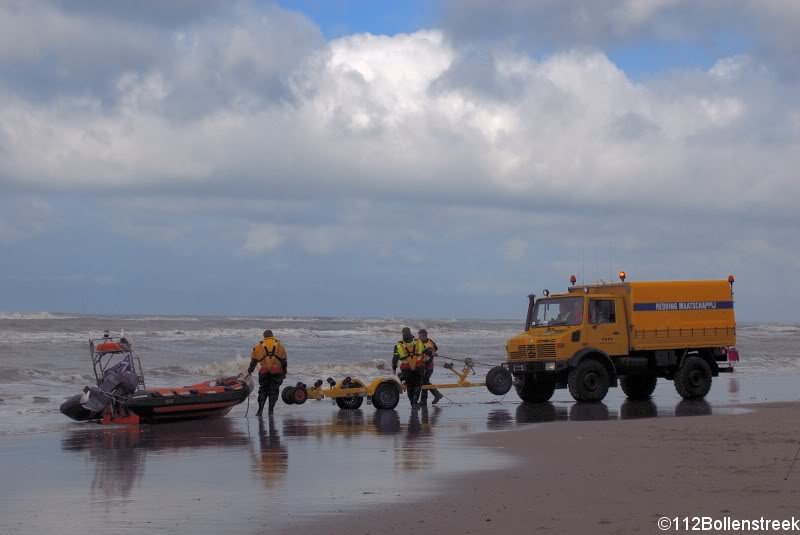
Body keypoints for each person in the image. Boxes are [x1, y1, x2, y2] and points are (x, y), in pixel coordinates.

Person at [247, 330, 287, 416]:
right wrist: (284, 372)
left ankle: (260, 411)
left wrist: (250, 371)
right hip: (277, 371)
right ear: (272, 335)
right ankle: (271, 411)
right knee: (274, 391)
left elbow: (254, 361)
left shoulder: (259, 345)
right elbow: (284, 361)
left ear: (264, 336)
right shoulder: (280, 345)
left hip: (264, 371)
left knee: (263, 390)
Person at [392, 327, 425, 408]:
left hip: (406, 368)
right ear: (410, 333)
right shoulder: (418, 342)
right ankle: (414, 401)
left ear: (402, 333)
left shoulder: (398, 345)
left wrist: (394, 368)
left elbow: (395, 359)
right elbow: (425, 351)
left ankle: (412, 403)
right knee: (418, 385)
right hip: (418, 367)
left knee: (409, 386)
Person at [417, 329, 443, 405]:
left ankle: (424, 401)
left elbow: (429, 358)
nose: (419, 337)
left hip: (428, 367)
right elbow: (436, 348)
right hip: (422, 365)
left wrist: (425, 366)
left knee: (424, 382)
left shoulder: (429, 344)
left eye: (420, 336)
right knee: (425, 382)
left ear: (425, 336)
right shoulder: (421, 341)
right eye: (418, 336)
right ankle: (437, 394)